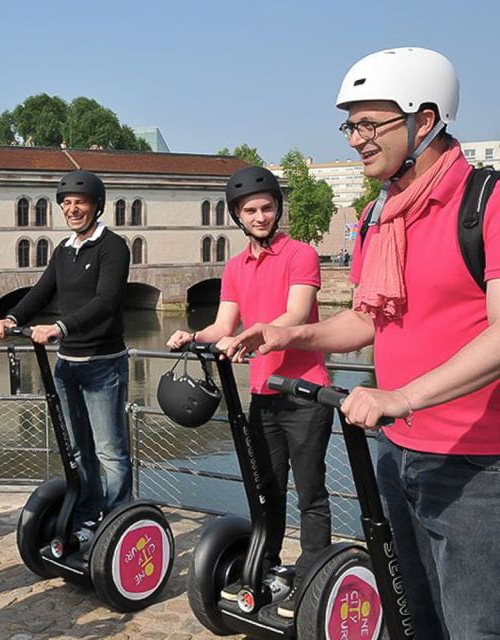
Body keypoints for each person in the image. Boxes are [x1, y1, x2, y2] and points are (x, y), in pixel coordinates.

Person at [227, 47, 500, 639]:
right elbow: (367, 319)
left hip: (477, 463)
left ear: (423, 120)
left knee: (475, 626)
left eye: (369, 123)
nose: (355, 138)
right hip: (395, 451)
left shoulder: (488, 202)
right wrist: (286, 332)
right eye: (350, 124)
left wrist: (400, 397)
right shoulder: (382, 216)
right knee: (414, 618)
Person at [166, 166, 333, 618]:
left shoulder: (301, 254)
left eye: (267, 207)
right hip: (263, 393)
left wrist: (253, 335)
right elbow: (224, 325)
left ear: (277, 208)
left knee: (311, 491)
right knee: (267, 488)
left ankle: (315, 575)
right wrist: (193, 335)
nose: (261, 216)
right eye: (250, 210)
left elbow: (296, 315)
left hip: (306, 393)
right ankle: (271, 568)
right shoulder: (236, 265)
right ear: (238, 216)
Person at [0, 170, 131, 538]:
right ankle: (87, 515)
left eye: (79, 203)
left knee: (109, 452)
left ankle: (117, 522)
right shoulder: (64, 250)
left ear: (96, 206)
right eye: (66, 204)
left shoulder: (113, 247)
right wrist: (12, 317)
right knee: (77, 450)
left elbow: (106, 302)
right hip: (67, 365)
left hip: (103, 364)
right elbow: (41, 291)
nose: (72, 209)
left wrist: (59, 327)